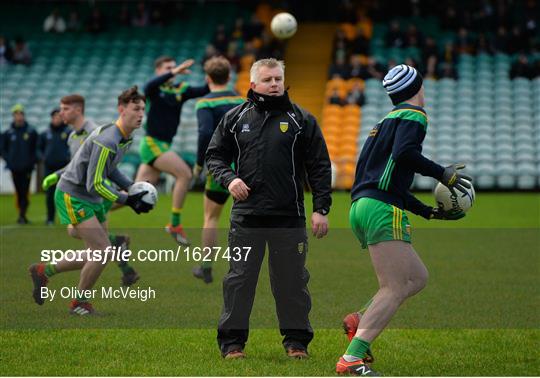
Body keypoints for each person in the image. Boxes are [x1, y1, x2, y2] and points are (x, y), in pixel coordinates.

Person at [336, 64, 472, 376]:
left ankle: (360, 319)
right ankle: (351, 358)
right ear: (418, 87)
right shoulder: (414, 115)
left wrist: (428, 211)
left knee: (417, 277)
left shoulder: (383, 122)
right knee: (395, 287)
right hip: (380, 209)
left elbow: (388, 178)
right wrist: (443, 173)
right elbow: (405, 154)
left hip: (363, 205)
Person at [206, 58, 332, 359]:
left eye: (278, 78)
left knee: (292, 283)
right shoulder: (235, 118)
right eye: (268, 79)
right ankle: (232, 344)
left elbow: (319, 166)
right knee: (239, 281)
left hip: (288, 218)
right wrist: (230, 178)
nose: (274, 84)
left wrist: (321, 209)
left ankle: (296, 343)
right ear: (253, 85)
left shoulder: (302, 119)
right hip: (247, 217)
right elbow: (214, 157)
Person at [29, 86, 152, 315]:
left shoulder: (125, 137)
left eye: (143, 109)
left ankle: (43, 271)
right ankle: (79, 304)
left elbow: (111, 170)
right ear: (121, 110)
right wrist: (128, 200)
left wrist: (132, 188)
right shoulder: (108, 140)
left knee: (97, 251)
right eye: (136, 109)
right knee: (103, 250)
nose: (141, 114)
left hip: (90, 197)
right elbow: (94, 183)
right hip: (74, 195)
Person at [42, 94, 139, 286]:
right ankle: (121, 258)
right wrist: (59, 174)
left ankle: (74, 294)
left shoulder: (96, 132)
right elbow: (77, 164)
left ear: (78, 110)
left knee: (95, 246)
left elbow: (102, 170)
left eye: (65, 108)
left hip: (96, 191)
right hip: (85, 191)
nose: (61, 112)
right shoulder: (71, 137)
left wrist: (127, 191)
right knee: (95, 246)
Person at [135, 56, 209, 245]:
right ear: (158, 70)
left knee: (133, 196)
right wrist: (174, 72)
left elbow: (205, 89)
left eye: (174, 67)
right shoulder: (154, 89)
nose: (173, 70)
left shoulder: (179, 89)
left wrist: (212, 73)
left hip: (164, 146)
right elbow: (147, 86)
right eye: (168, 68)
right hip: (152, 144)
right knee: (185, 174)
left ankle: (97, 210)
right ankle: (174, 224)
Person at [191, 56, 245, 284]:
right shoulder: (243, 100)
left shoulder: (204, 103)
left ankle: (206, 267)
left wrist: (200, 164)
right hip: (244, 164)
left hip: (220, 165)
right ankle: (243, 267)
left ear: (207, 78)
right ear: (228, 76)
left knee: (211, 217)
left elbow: (204, 134)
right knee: (244, 218)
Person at [2, 104, 38, 224]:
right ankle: (21, 215)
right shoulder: (8, 133)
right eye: (16, 114)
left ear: (23, 115)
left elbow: (36, 149)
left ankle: (22, 215)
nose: (19, 116)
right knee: (18, 192)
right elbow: (2, 149)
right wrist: (9, 160)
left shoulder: (31, 132)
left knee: (25, 191)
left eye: (20, 114)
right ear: (13, 116)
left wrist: (31, 161)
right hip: (14, 168)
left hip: (27, 168)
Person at [39, 108, 70, 225]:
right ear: (52, 118)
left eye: (59, 116)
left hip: (64, 168)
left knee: (66, 194)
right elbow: (39, 148)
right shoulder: (45, 133)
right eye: (55, 117)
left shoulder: (68, 132)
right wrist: (43, 157)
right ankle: (50, 218)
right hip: (49, 168)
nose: (57, 119)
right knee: (50, 194)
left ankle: (68, 218)